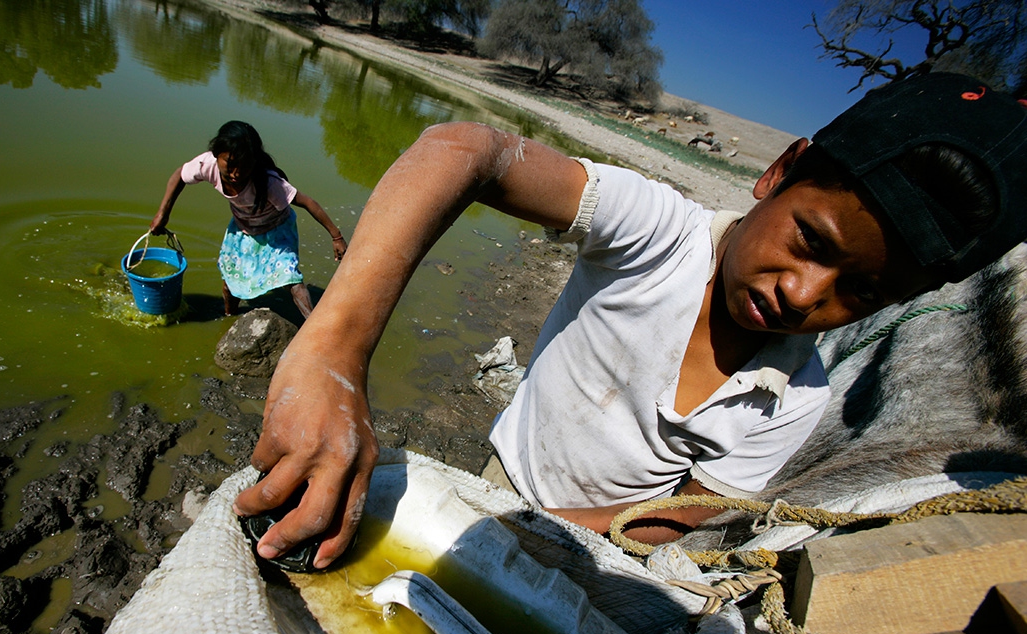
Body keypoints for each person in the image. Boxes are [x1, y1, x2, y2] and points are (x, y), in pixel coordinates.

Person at [232, 73, 1027, 569]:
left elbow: (686, 510)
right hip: (501, 477)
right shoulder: (659, 230)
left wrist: (540, 534)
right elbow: (464, 150)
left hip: (597, 540)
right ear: (780, 172)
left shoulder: (799, 398)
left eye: (863, 292)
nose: (802, 292)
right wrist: (334, 350)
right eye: (810, 241)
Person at [150, 120, 348, 317]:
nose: (236, 173)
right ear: (217, 154)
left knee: (290, 279)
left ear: (254, 162)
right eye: (230, 164)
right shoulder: (207, 165)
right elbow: (179, 175)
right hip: (243, 229)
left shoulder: (269, 182)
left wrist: (336, 236)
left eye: (244, 166)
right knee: (230, 282)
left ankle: (313, 325)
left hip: (277, 231)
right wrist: (163, 213)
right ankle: (230, 317)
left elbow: (307, 202)